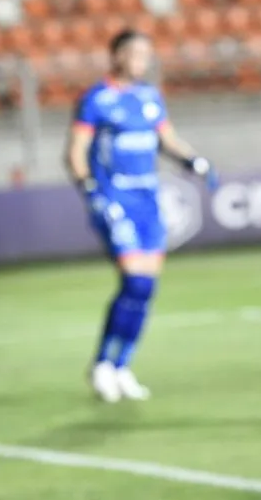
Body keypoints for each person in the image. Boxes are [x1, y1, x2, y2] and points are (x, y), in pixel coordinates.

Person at [64, 29, 216, 404]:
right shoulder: (96, 100)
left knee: (147, 289)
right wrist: (88, 189)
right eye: (134, 53)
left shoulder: (150, 98)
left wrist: (194, 160)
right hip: (115, 200)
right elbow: (76, 151)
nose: (141, 60)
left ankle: (121, 366)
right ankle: (102, 364)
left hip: (149, 201)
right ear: (116, 55)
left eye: (146, 54)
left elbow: (168, 140)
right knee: (135, 282)